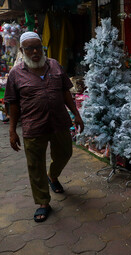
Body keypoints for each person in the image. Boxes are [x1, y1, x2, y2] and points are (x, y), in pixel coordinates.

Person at [4, 32, 84, 222]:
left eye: (38, 47)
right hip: (33, 126)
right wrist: (12, 130)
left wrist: (77, 114)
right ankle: (43, 202)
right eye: (29, 48)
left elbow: (65, 92)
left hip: (59, 122)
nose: (35, 52)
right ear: (22, 51)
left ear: (42, 48)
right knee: (35, 165)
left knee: (65, 153)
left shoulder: (54, 65)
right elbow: (13, 104)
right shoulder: (16, 73)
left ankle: (53, 176)